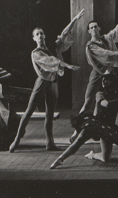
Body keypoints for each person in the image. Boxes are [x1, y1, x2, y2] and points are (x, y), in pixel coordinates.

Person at [9, 10, 84, 153]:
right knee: (29, 111)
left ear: (45, 35)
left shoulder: (52, 47)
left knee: (50, 114)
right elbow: (51, 61)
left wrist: (74, 20)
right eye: (37, 34)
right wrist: (67, 65)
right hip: (42, 83)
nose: (40, 36)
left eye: (42, 33)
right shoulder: (36, 53)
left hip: (53, 83)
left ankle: (50, 143)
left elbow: (63, 35)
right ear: (34, 38)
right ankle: (16, 140)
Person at [50, 62, 118, 169]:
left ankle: (92, 155)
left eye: (106, 79)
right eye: (103, 79)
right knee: (78, 142)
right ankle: (60, 159)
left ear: (112, 81)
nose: (103, 81)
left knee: (106, 158)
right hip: (96, 123)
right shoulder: (100, 93)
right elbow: (106, 104)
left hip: (108, 127)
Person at [79, 12, 118, 115]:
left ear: (99, 28)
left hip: (108, 75)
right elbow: (105, 53)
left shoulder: (106, 39)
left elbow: (117, 29)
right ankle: (77, 128)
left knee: (101, 102)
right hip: (98, 73)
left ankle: (96, 124)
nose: (94, 29)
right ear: (89, 31)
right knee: (88, 102)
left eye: (95, 27)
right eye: (91, 28)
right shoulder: (90, 46)